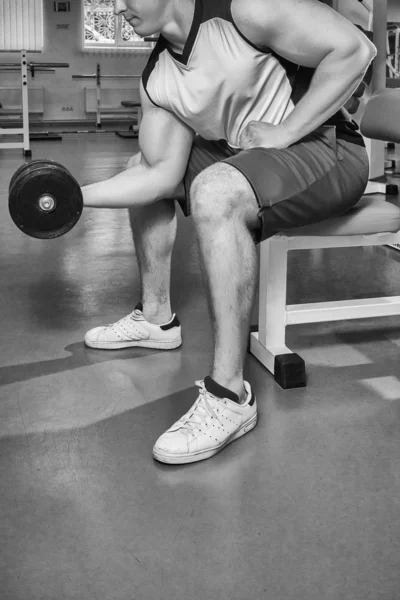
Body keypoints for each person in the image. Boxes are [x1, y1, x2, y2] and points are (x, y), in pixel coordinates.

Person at [81, 0, 376, 465]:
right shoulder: (157, 77)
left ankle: (230, 396)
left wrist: (285, 131)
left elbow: (355, 49)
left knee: (215, 191)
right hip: (251, 155)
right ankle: (156, 319)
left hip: (325, 147)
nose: (117, 8)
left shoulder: (243, 9)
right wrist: (73, 196)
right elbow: (159, 177)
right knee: (140, 165)